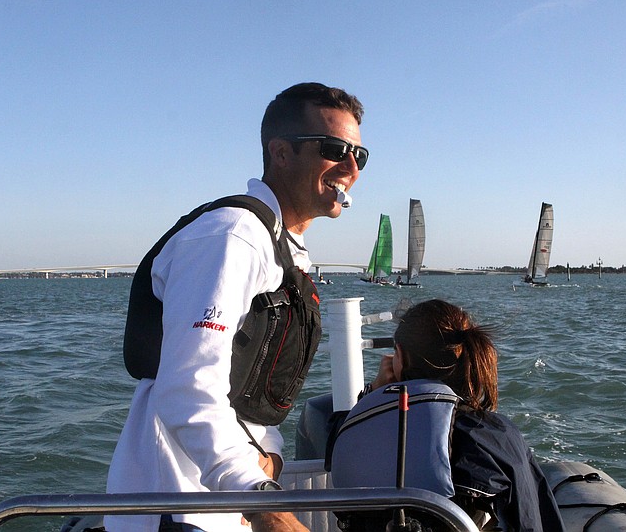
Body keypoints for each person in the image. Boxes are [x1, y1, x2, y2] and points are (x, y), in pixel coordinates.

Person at [106, 83, 367, 532]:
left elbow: (253, 394)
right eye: (334, 148)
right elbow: (187, 386)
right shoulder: (232, 238)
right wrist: (265, 505)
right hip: (180, 504)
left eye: (359, 156)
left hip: (229, 503)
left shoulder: (284, 250)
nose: (351, 167)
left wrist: (271, 458)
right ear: (281, 153)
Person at [348, 299, 565, 531]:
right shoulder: (494, 436)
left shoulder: (361, 430)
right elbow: (530, 518)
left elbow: (339, 442)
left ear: (399, 354)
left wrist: (373, 394)